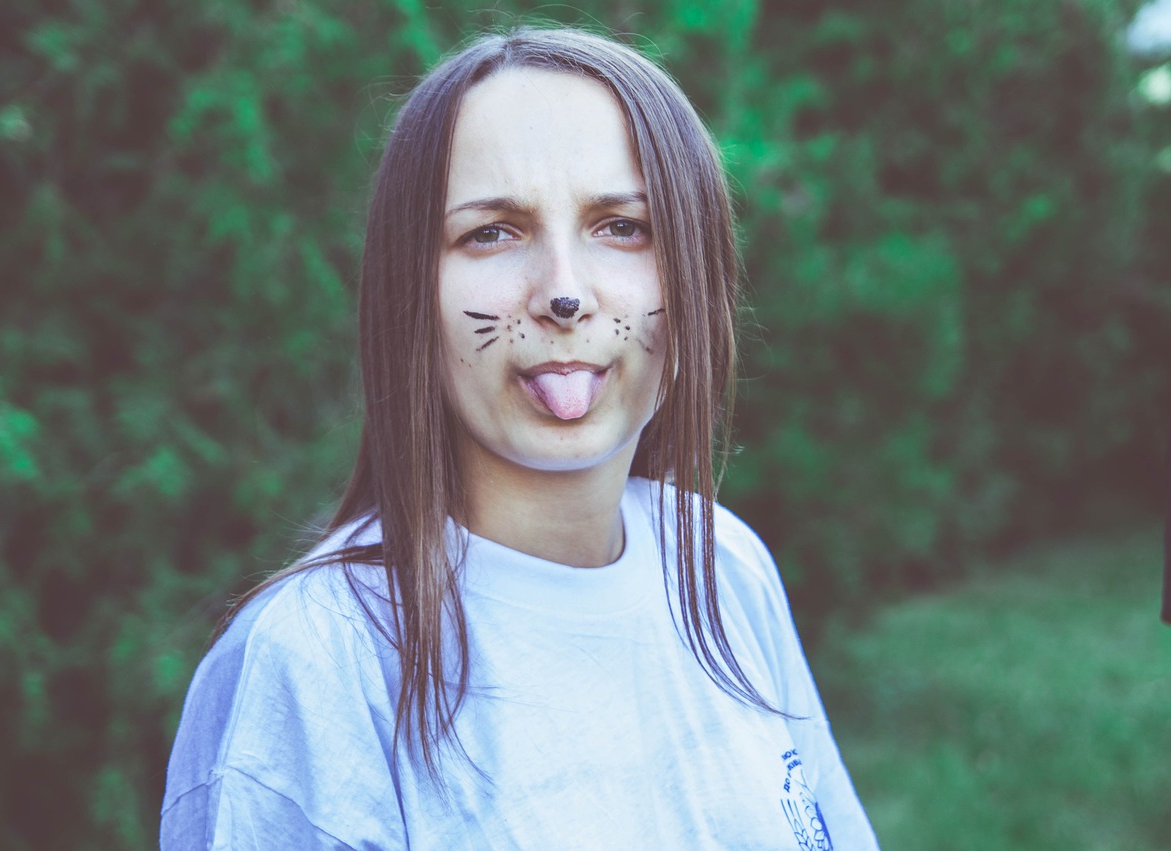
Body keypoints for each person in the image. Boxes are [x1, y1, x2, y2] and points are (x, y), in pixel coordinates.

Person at [160, 27, 878, 850]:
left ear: (698, 278)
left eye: (622, 226)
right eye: (492, 233)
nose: (564, 295)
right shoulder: (314, 662)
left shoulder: (722, 566)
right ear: (408, 297)